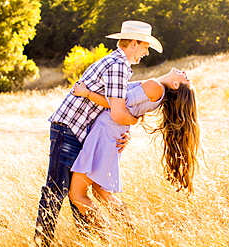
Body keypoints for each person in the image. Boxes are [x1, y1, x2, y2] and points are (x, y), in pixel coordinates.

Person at [34, 20, 163, 246]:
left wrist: (126, 129)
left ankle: (88, 241)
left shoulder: (117, 64)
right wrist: (135, 120)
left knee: (76, 192)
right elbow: (118, 111)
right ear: (134, 43)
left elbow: (117, 106)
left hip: (80, 132)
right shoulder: (117, 66)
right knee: (56, 188)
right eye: (145, 46)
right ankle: (40, 243)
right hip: (69, 129)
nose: (146, 52)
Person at [67, 67, 200, 235]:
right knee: (101, 193)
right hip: (110, 133)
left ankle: (107, 236)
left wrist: (86, 93)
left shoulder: (155, 86)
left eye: (186, 79)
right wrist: (130, 124)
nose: (185, 73)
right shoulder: (157, 91)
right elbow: (126, 109)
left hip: (104, 133)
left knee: (77, 195)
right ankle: (132, 231)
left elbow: (116, 105)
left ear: (175, 85)